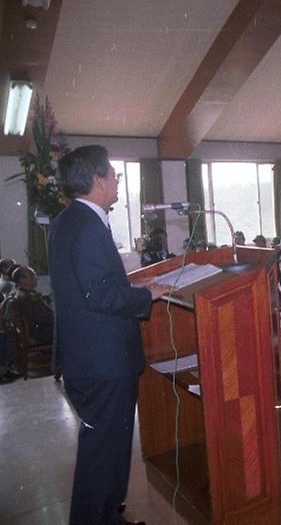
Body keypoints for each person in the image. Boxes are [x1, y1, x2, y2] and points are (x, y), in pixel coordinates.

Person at [49, 145, 169, 525]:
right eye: (113, 174)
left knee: (107, 448)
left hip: (91, 356)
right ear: (97, 179)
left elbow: (94, 281)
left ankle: (106, 517)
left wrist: (134, 284)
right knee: (103, 453)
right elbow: (99, 293)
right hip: (102, 361)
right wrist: (145, 295)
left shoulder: (69, 220)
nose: (117, 180)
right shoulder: (86, 225)